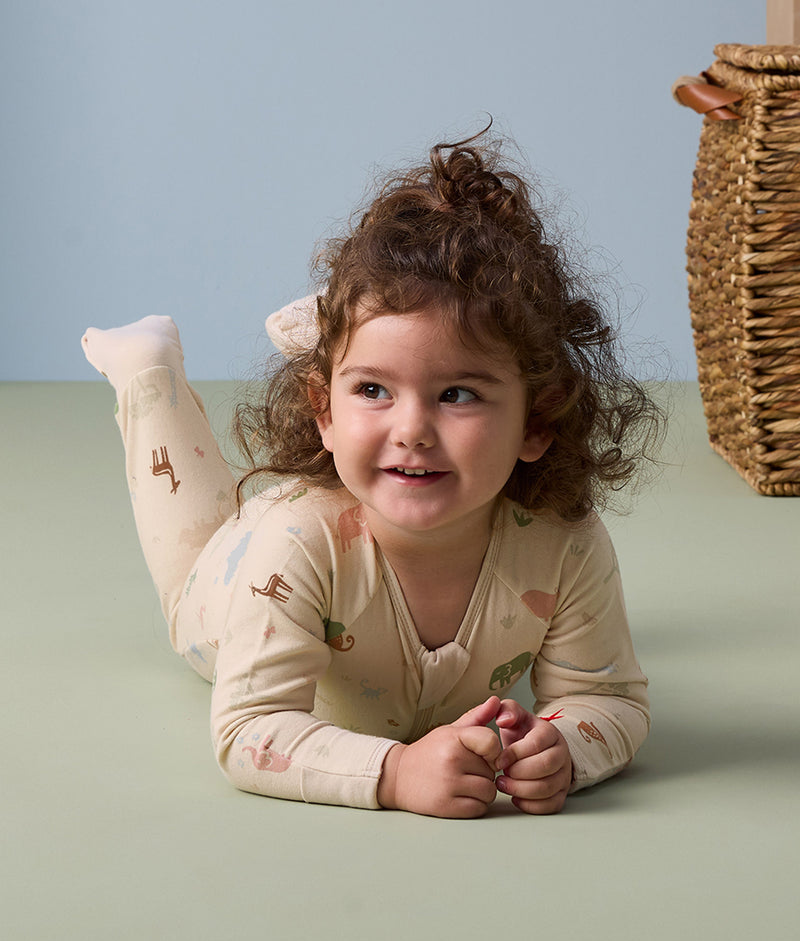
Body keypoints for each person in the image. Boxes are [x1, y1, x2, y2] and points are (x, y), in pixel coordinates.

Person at [81, 130, 661, 819]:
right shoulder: (294, 547)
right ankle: (149, 372)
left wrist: (562, 748)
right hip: (238, 581)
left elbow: (605, 698)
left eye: (457, 394)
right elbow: (250, 730)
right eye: (374, 390)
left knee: (393, 346)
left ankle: (351, 344)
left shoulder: (565, 544)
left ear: (537, 422)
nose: (412, 430)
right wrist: (395, 772)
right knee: (189, 570)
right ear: (322, 413)